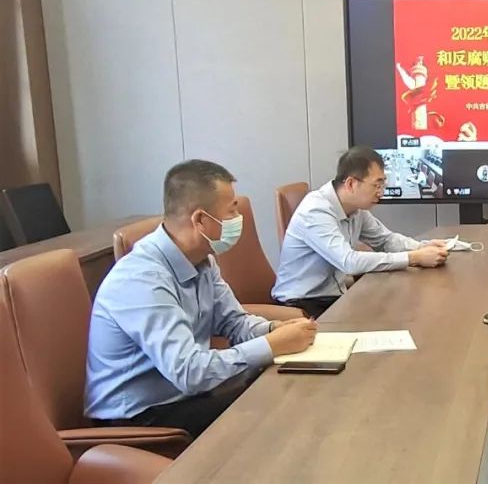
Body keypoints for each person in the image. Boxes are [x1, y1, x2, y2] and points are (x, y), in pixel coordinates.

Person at [85, 160, 318, 437]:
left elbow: (234, 322)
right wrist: (271, 345)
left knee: (284, 390)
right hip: (141, 418)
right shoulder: (142, 279)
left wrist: (272, 330)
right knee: (272, 412)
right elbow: (189, 372)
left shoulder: (202, 260)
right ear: (200, 220)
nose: (238, 218)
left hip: (185, 396)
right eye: (231, 210)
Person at [273, 147, 448, 318]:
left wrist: (421, 247)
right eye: (376, 185)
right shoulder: (316, 210)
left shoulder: (356, 209)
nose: (381, 193)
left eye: (383, 184)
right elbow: (349, 262)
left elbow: (385, 240)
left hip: (332, 297)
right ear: (351, 184)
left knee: (399, 307)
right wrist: (414, 257)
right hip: (302, 305)